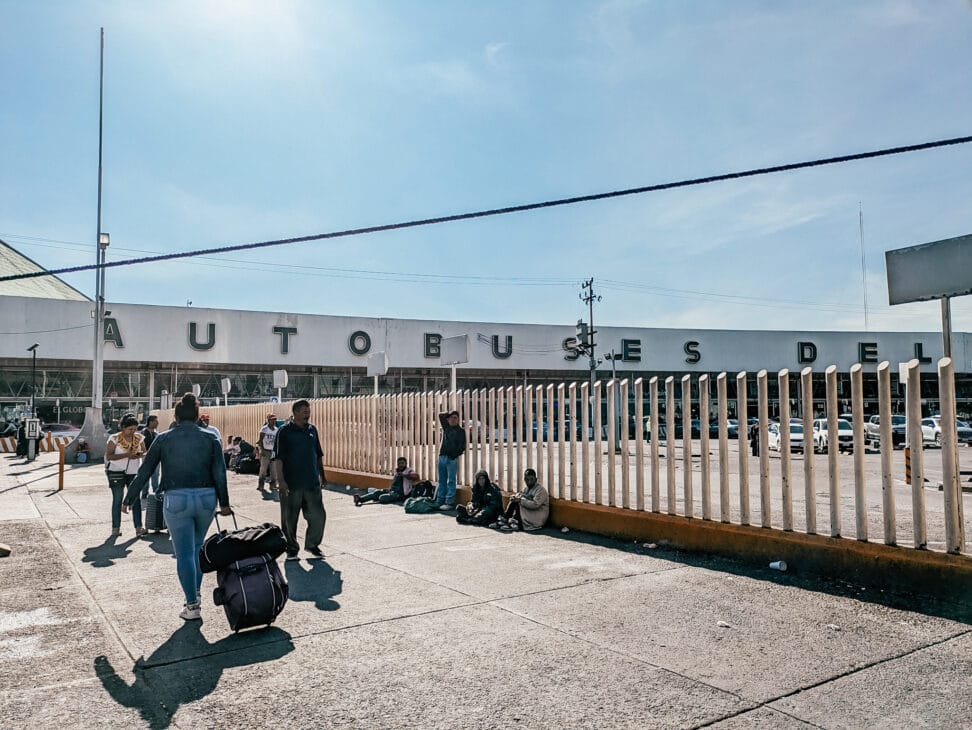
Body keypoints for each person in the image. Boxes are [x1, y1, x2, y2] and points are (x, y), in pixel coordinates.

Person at [123, 393, 232, 621]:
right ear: (197, 415)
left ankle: (192, 605)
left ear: (176, 415)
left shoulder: (164, 438)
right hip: (206, 498)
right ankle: (197, 595)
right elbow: (220, 473)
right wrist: (224, 503)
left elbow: (146, 470)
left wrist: (130, 497)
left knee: (184, 554)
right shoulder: (211, 438)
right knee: (197, 549)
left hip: (177, 498)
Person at [273, 400, 326, 561]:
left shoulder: (312, 430)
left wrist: (322, 475)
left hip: (311, 482)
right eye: (304, 411)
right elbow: (278, 458)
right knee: (289, 518)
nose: (307, 414)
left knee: (318, 516)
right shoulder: (284, 431)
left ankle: (312, 544)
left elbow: (318, 454)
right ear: (295, 412)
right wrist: (281, 481)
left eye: (308, 411)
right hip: (291, 484)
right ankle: (291, 548)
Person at [106, 415, 146, 538]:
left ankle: (139, 527)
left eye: (135, 429)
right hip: (116, 472)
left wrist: (139, 455)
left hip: (133, 471)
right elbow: (109, 456)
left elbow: (145, 452)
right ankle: (115, 528)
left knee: (136, 500)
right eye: (130, 429)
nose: (132, 432)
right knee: (118, 499)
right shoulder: (114, 438)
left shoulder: (139, 438)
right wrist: (127, 455)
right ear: (123, 427)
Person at [493, 468, 549, 532]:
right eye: (527, 479)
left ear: (536, 479)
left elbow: (535, 505)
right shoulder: (526, 489)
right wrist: (515, 498)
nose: (529, 481)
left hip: (537, 518)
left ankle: (513, 521)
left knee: (519, 501)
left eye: (531, 479)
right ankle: (506, 519)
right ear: (525, 479)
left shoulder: (541, 490)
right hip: (529, 514)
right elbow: (520, 495)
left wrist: (520, 500)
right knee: (515, 499)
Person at [354, 457, 419, 506]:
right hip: (391, 491)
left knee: (382, 497)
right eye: (399, 463)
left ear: (406, 464)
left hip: (399, 495)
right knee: (376, 492)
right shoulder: (398, 471)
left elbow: (416, 476)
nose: (401, 465)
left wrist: (404, 475)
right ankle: (360, 499)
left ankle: (380, 498)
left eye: (402, 463)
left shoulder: (409, 470)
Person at [435, 410, 466, 511]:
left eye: (455, 418)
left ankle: (449, 502)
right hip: (442, 457)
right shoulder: (446, 428)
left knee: (451, 481)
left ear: (458, 419)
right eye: (451, 418)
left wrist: (454, 455)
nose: (453, 419)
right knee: (442, 480)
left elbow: (462, 446)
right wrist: (448, 414)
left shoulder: (461, 431)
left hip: (452, 459)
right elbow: (441, 415)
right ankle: (440, 500)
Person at [256, 412, 279, 494]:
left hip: (273, 451)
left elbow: (277, 441)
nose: (274, 421)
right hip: (265, 451)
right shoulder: (264, 429)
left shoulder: (276, 430)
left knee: (274, 469)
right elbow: (260, 440)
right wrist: (262, 450)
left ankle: (273, 484)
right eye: (272, 420)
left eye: (274, 420)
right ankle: (261, 485)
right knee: (263, 469)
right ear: (268, 420)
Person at [139, 415, 160, 496]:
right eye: (156, 421)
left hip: (156, 458)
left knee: (155, 475)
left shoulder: (156, 433)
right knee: (146, 475)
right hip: (146, 458)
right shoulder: (143, 432)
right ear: (150, 422)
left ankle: (156, 492)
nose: (157, 423)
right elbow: (140, 445)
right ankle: (144, 492)